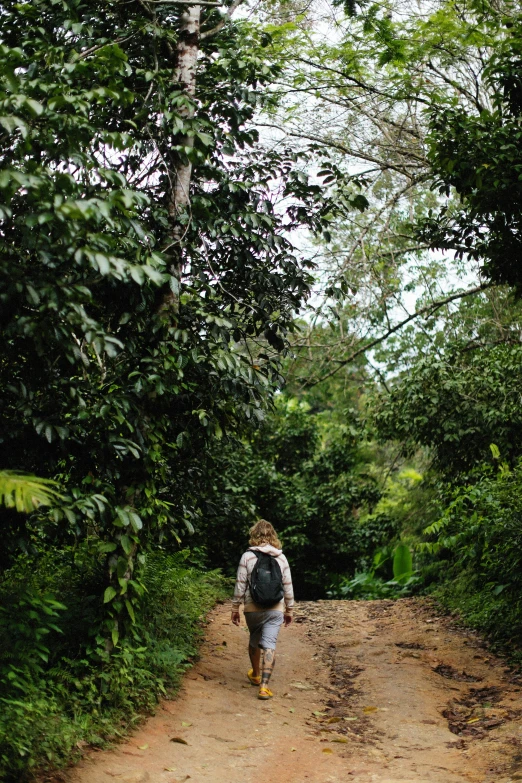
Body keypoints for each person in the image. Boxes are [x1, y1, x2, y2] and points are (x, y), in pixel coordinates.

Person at [231, 519, 294, 700]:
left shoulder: (247, 556)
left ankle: (256, 675)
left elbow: (240, 584)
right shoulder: (281, 558)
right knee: (270, 644)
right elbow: (288, 587)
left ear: (254, 535)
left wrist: (235, 607)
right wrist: (289, 610)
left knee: (254, 638)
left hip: (253, 608)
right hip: (275, 608)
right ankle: (264, 687)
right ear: (273, 536)